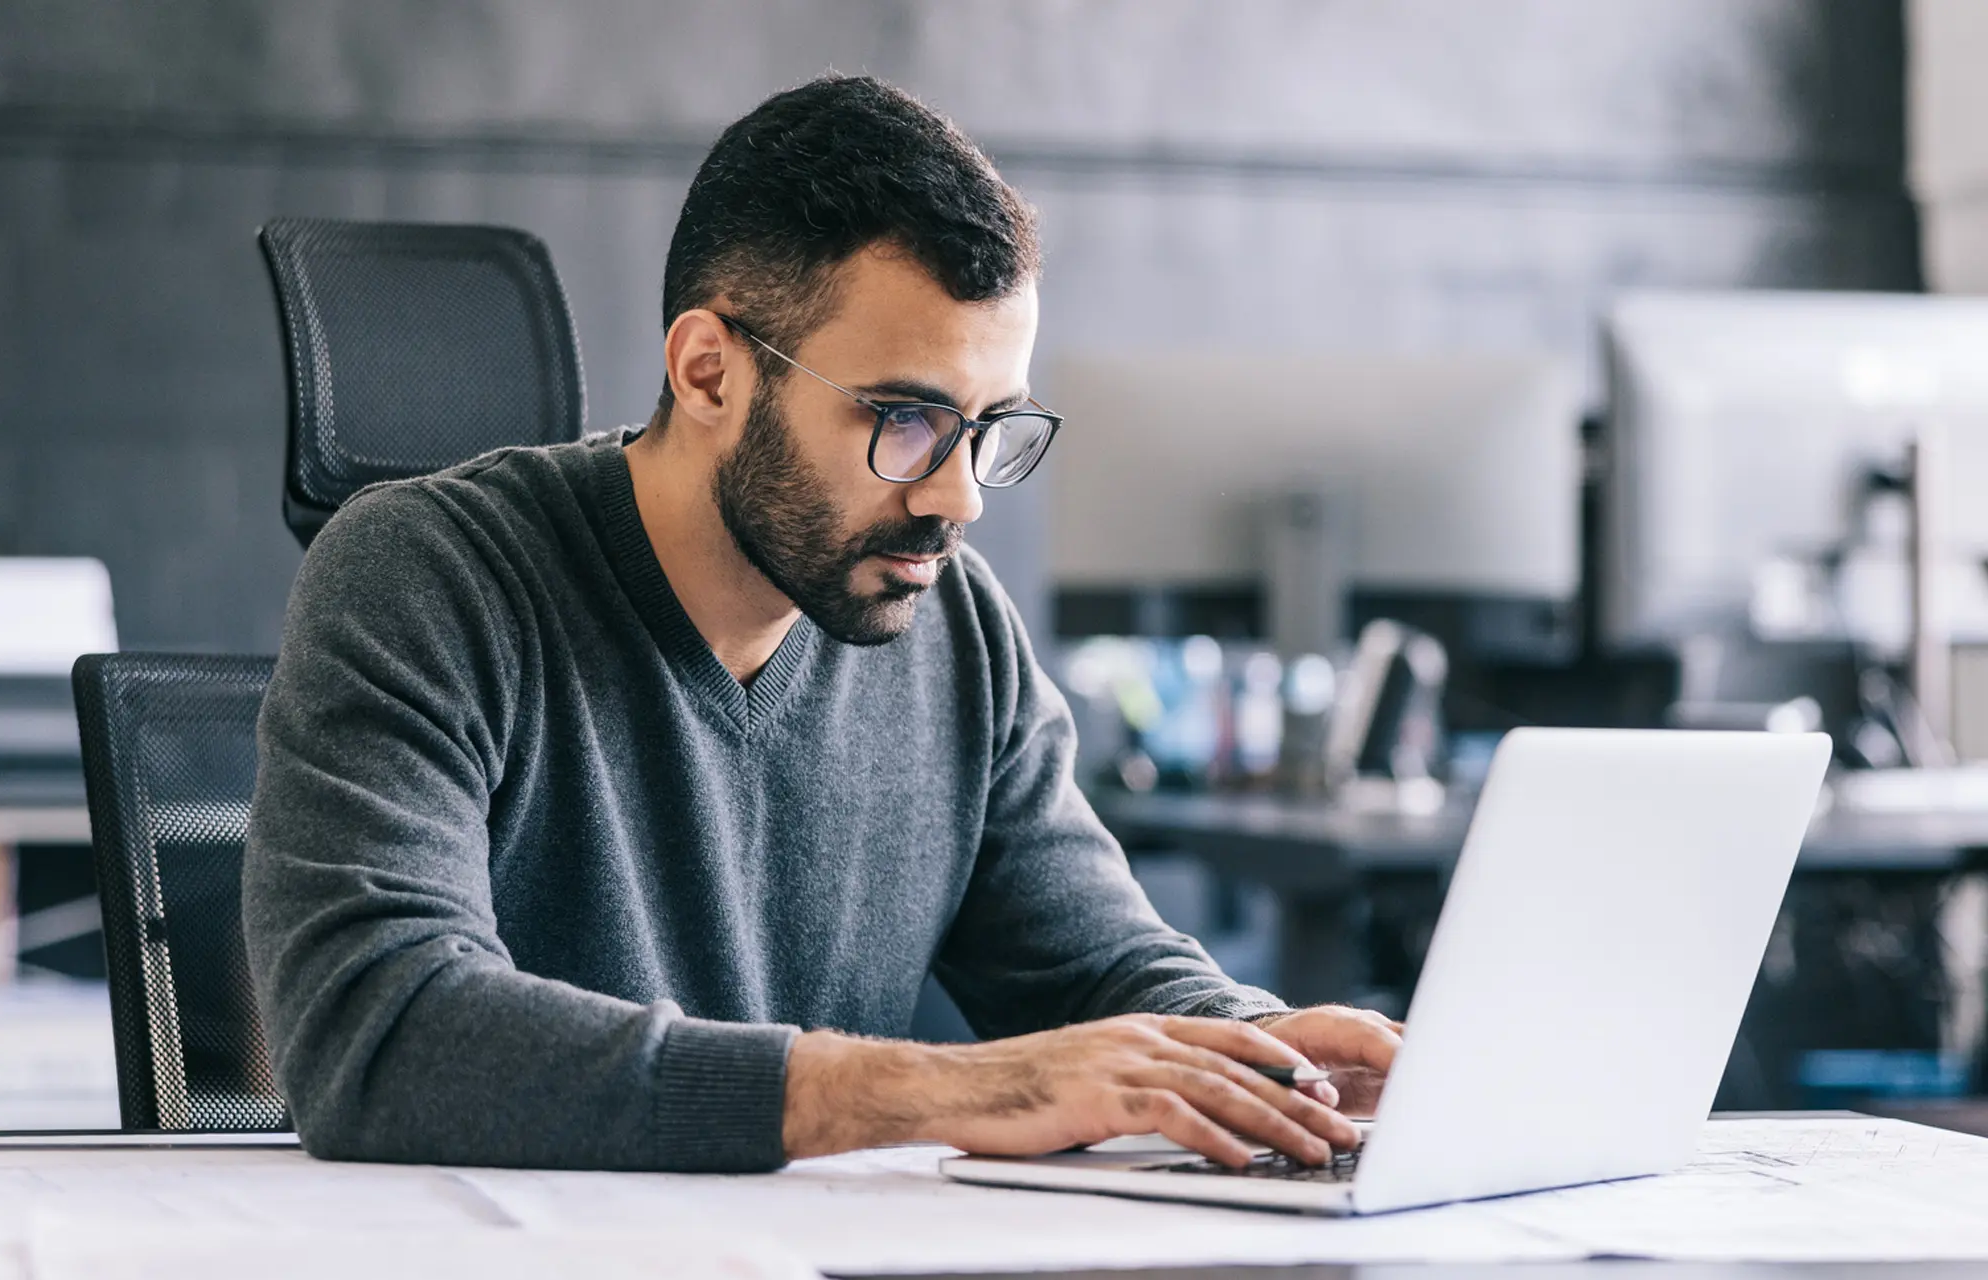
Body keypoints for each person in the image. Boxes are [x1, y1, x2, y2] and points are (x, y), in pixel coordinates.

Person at [242, 74, 1401, 1173]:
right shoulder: (426, 577)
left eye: (992, 426)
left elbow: (1093, 966)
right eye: (905, 419)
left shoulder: (956, 631)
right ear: (708, 374)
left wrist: (1277, 1054)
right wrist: (946, 1091)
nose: (957, 497)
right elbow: (379, 1033)